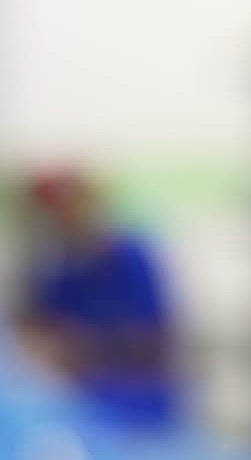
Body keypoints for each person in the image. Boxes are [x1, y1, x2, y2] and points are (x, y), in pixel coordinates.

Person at [17, 169, 183, 431]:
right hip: (76, 403)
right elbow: (39, 327)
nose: (62, 222)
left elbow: (152, 341)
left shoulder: (131, 261)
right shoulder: (62, 271)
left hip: (134, 401)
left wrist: (79, 350)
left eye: (69, 210)